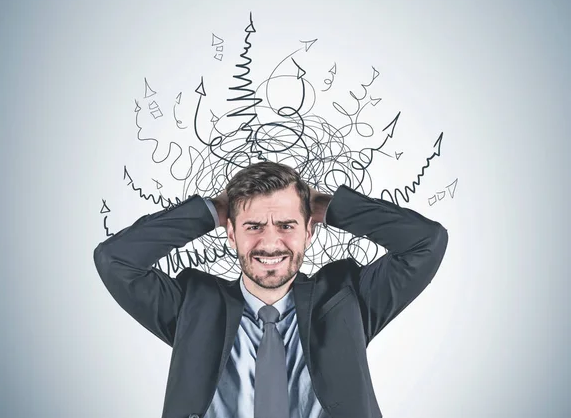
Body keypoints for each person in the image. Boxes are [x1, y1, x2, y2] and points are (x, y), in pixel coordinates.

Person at [93, 161, 448, 418]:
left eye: (286, 224)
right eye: (253, 225)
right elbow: (116, 259)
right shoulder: (193, 306)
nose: (270, 242)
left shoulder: (347, 298)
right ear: (231, 234)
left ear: (309, 231)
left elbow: (425, 243)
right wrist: (212, 210)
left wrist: (330, 206)